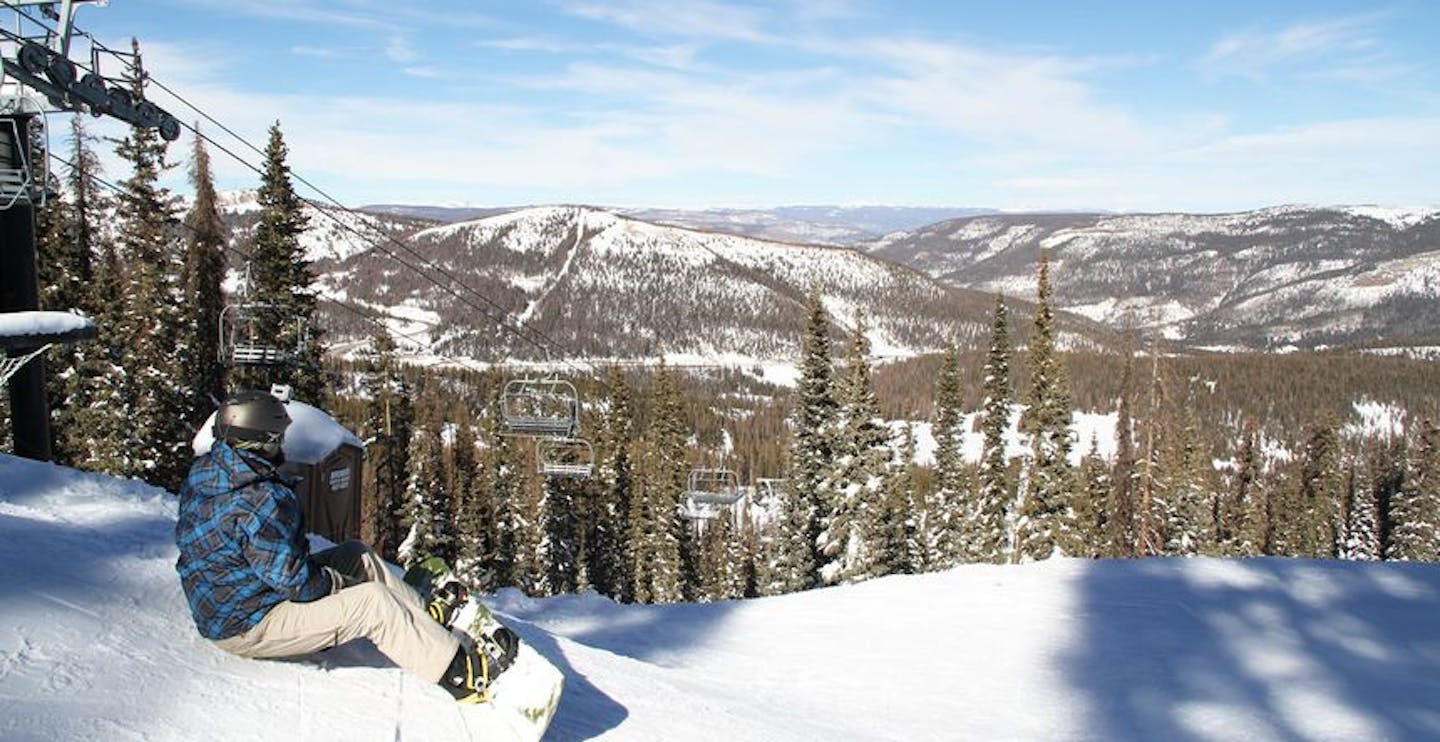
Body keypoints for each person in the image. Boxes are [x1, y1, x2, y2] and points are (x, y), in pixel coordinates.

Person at [174, 389, 516, 703]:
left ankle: (420, 618)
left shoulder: (212, 473)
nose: (282, 446)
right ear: (261, 441)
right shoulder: (257, 500)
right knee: (373, 604)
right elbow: (296, 583)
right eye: (277, 439)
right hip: (248, 624)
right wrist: (338, 586)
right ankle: (462, 676)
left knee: (357, 555)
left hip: (239, 598)